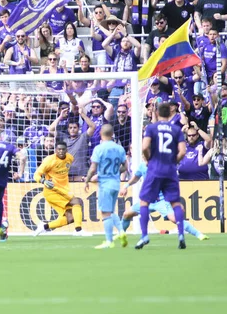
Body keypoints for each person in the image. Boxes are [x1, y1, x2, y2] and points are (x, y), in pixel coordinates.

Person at [136, 102, 187, 250]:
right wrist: (173, 161)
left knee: (144, 202)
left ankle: (144, 235)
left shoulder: (152, 128)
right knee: (175, 203)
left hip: (155, 169)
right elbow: (182, 152)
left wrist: (149, 159)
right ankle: (181, 235)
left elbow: (145, 146)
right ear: (169, 113)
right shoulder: (177, 129)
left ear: (157, 113)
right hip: (170, 170)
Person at [119, 161, 209, 241]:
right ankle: (121, 235)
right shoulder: (142, 166)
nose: (144, 156)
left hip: (161, 201)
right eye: (143, 155)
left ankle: (199, 235)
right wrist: (125, 186)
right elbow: (135, 178)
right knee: (126, 214)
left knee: (174, 219)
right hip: (148, 201)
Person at [84, 124, 129, 249]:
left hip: (104, 184)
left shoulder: (99, 148)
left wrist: (87, 180)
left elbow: (93, 167)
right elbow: (126, 166)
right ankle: (121, 232)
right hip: (115, 183)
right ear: (112, 134)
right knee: (111, 211)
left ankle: (109, 241)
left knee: (105, 213)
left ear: (100, 134)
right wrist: (116, 172)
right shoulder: (119, 148)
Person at [33, 140, 84, 236]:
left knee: (70, 218)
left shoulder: (70, 158)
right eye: (59, 149)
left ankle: (44, 227)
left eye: (63, 149)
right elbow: (36, 174)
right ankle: (78, 230)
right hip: (52, 190)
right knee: (76, 202)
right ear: (55, 150)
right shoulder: (49, 160)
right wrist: (44, 181)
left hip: (63, 189)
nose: (61, 151)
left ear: (66, 150)